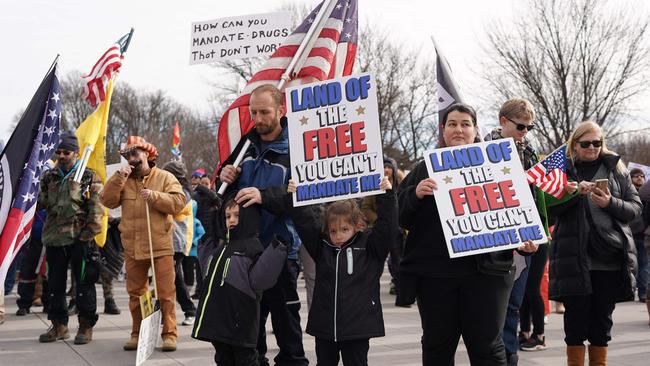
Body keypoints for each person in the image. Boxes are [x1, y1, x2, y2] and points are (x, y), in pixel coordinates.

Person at [397, 103, 538, 365]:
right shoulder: (425, 167)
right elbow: (400, 216)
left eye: (465, 124)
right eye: (452, 124)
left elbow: (517, 213)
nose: (459, 130)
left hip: (487, 276)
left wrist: (525, 242)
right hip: (436, 277)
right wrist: (415, 194)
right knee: (437, 346)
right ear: (443, 130)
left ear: (476, 130)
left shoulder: (499, 165)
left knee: (488, 347)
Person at [219, 84, 308, 366]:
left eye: (264, 111)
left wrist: (264, 196)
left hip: (280, 252)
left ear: (281, 111)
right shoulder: (244, 147)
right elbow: (222, 197)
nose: (257, 118)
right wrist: (224, 174)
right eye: (253, 111)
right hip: (245, 256)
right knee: (249, 336)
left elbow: (304, 197)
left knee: (287, 332)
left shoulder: (298, 148)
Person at [547, 121, 641, 365]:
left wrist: (610, 203)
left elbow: (635, 209)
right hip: (572, 259)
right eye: (586, 143)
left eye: (597, 143)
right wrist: (574, 192)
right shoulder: (561, 171)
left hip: (608, 258)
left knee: (602, 325)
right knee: (574, 326)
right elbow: (548, 209)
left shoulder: (616, 170)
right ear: (575, 145)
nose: (592, 148)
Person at [278, 176, 396, 366]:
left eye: (344, 229)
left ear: (357, 227)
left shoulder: (371, 247)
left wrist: (387, 195)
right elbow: (306, 222)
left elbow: (387, 226)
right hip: (324, 326)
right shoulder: (322, 247)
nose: (338, 235)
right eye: (333, 231)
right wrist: (295, 197)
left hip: (357, 327)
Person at [100, 136, 186, 352]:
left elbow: (178, 203)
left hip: (160, 246)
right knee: (137, 294)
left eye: (135, 153)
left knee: (166, 293)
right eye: (128, 155)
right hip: (133, 246)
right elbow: (106, 200)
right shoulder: (123, 179)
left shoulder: (165, 177)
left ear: (147, 154)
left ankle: (169, 334)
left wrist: (155, 196)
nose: (132, 159)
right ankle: (139, 333)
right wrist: (119, 177)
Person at [484, 98, 550, 361]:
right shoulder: (480, 149)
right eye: (521, 127)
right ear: (503, 122)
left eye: (530, 128)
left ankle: (510, 356)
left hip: (523, 241)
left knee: (513, 305)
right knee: (492, 307)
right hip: (491, 240)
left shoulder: (530, 153)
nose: (525, 133)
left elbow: (537, 196)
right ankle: (493, 355)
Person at [192, 194, 287, 365]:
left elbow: (260, 280)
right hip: (217, 319)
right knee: (222, 358)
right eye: (228, 216)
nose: (232, 220)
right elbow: (207, 267)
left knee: (246, 359)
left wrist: (277, 249)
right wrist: (204, 244)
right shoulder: (221, 246)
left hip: (240, 320)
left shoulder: (251, 246)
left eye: (237, 215)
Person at [37, 131, 104, 345]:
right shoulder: (50, 176)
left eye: (66, 152)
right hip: (55, 239)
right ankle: (59, 325)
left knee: (84, 284)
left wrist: (86, 237)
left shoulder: (89, 176)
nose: (62, 156)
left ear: (75, 153)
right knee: (55, 285)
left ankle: (85, 326)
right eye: (58, 152)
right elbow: (41, 203)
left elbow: (96, 211)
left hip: (80, 240)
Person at [361, 157, 405, 300]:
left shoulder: (402, 183)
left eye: (389, 167)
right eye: (384, 167)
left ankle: (401, 288)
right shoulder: (374, 184)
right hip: (380, 229)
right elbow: (366, 208)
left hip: (399, 229)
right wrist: (380, 222)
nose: (386, 170)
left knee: (399, 259)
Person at [162, 160, 199, 327]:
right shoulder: (167, 189)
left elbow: (171, 207)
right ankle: (163, 313)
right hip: (165, 240)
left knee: (174, 278)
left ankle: (190, 310)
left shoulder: (183, 193)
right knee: (164, 278)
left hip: (176, 243)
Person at [629, 168, 647, 302]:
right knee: (631, 264)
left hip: (642, 234)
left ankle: (643, 292)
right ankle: (629, 291)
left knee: (644, 264)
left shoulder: (647, 193)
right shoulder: (627, 191)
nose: (639, 178)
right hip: (628, 234)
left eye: (642, 176)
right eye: (636, 176)